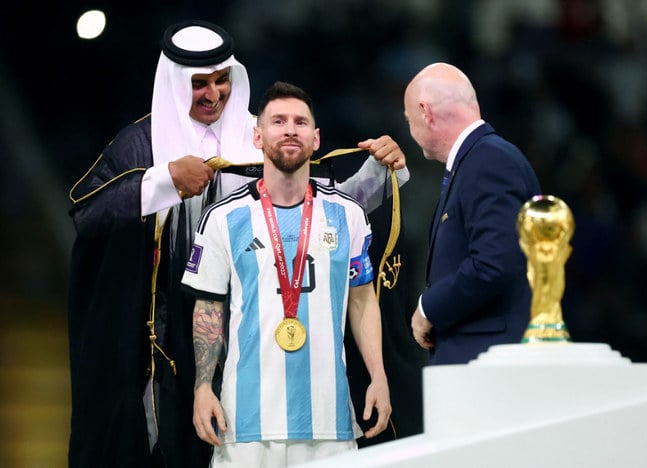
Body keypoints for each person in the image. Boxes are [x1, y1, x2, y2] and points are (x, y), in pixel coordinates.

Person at [67, 20, 407, 468]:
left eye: (221, 80)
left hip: (257, 335)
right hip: (168, 338)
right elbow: (87, 212)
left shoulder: (261, 134)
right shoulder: (141, 145)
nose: (213, 94)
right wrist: (165, 179)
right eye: (198, 84)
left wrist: (385, 172)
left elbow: (324, 208)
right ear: (173, 82)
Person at [182, 81, 392, 467]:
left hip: (329, 423)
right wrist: (202, 387)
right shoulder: (222, 218)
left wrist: (378, 376)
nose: (290, 129)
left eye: (300, 122)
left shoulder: (348, 215)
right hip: (243, 423)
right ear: (258, 137)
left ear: (316, 139)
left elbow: (362, 299)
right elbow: (208, 306)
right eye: (278, 121)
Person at [404, 62, 542, 365]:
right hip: (482, 363)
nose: (410, 129)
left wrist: (429, 308)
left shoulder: (488, 161)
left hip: (488, 365)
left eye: (408, 118)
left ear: (425, 112)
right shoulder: (479, 161)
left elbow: (494, 263)